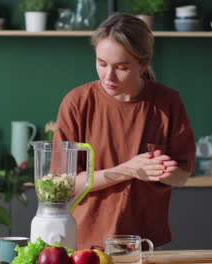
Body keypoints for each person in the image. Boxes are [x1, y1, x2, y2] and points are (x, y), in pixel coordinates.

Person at [53, 13, 196, 250]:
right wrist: (128, 170)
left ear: (143, 63)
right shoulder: (77, 103)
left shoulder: (168, 103)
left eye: (121, 67)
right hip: (84, 243)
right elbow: (64, 185)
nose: (108, 76)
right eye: (101, 64)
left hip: (144, 245)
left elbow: (181, 176)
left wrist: (157, 170)